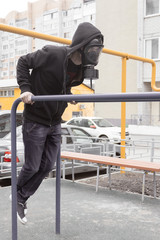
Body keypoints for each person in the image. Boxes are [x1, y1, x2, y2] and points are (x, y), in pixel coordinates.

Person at [16, 22, 103, 224]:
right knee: (31, 166)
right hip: (36, 119)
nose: (94, 53)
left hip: (55, 121)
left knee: (47, 166)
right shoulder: (52, 54)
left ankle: (20, 197)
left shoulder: (82, 69)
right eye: (91, 48)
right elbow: (22, 62)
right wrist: (25, 89)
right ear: (81, 46)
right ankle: (18, 196)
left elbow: (62, 84)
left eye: (97, 49)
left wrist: (68, 95)